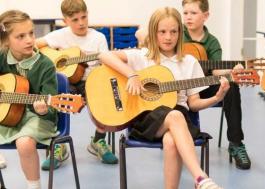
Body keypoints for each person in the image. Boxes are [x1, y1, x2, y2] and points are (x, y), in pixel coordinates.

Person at [98, 7, 226, 189]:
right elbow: (103, 55)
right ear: (153, 32)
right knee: (175, 116)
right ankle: (200, 178)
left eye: (173, 32)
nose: (168, 37)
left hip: (180, 119)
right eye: (162, 32)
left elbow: (194, 104)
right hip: (145, 118)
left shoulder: (189, 62)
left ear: (180, 33)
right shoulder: (142, 56)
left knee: (171, 140)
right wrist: (132, 75)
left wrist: (217, 97)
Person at [36, 0, 117, 170]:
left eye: (84, 17)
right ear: (65, 21)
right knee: (54, 95)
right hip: (67, 82)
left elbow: (106, 66)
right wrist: (49, 59)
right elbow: (36, 45)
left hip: (91, 80)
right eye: (75, 20)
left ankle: (98, 140)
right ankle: (59, 143)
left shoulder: (98, 38)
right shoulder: (59, 35)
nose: (81, 23)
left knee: (107, 100)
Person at [182, 0, 251, 170]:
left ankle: (236, 143)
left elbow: (215, 70)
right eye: (185, 13)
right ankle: (177, 139)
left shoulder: (212, 42)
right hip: (178, 88)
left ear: (205, 16)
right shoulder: (176, 33)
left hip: (202, 86)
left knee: (231, 86)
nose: (188, 17)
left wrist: (233, 71)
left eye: (193, 13)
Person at [0, 10, 59, 189]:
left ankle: (34, 186)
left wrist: (43, 109)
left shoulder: (45, 65)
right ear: (5, 41)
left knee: (24, 144)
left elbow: (52, 106)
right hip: (6, 116)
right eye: (20, 36)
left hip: (37, 117)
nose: (29, 39)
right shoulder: (2, 58)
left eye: (31, 33)